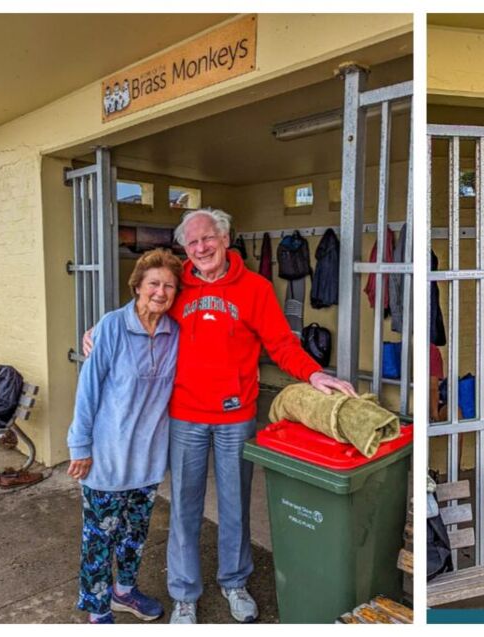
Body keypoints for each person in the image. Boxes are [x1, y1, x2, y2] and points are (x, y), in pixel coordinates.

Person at [83, 208, 357, 624]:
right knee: (185, 508)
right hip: (185, 416)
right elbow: (143, 306)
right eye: (192, 243)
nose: (201, 248)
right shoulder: (179, 286)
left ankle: (234, 582)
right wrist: (96, 331)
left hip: (236, 416)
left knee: (234, 506)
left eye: (207, 238)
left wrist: (314, 372)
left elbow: (281, 343)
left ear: (225, 238)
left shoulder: (256, 288)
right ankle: (184, 595)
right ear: (185, 249)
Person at [67, 248, 183, 624]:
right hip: (106, 457)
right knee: (99, 541)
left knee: (134, 536)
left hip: (147, 459)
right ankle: (98, 609)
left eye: (169, 285)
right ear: (137, 286)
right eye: (154, 283)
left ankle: (124, 592)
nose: (161, 292)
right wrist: (80, 446)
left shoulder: (175, 333)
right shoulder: (112, 326)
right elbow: (88, 391)